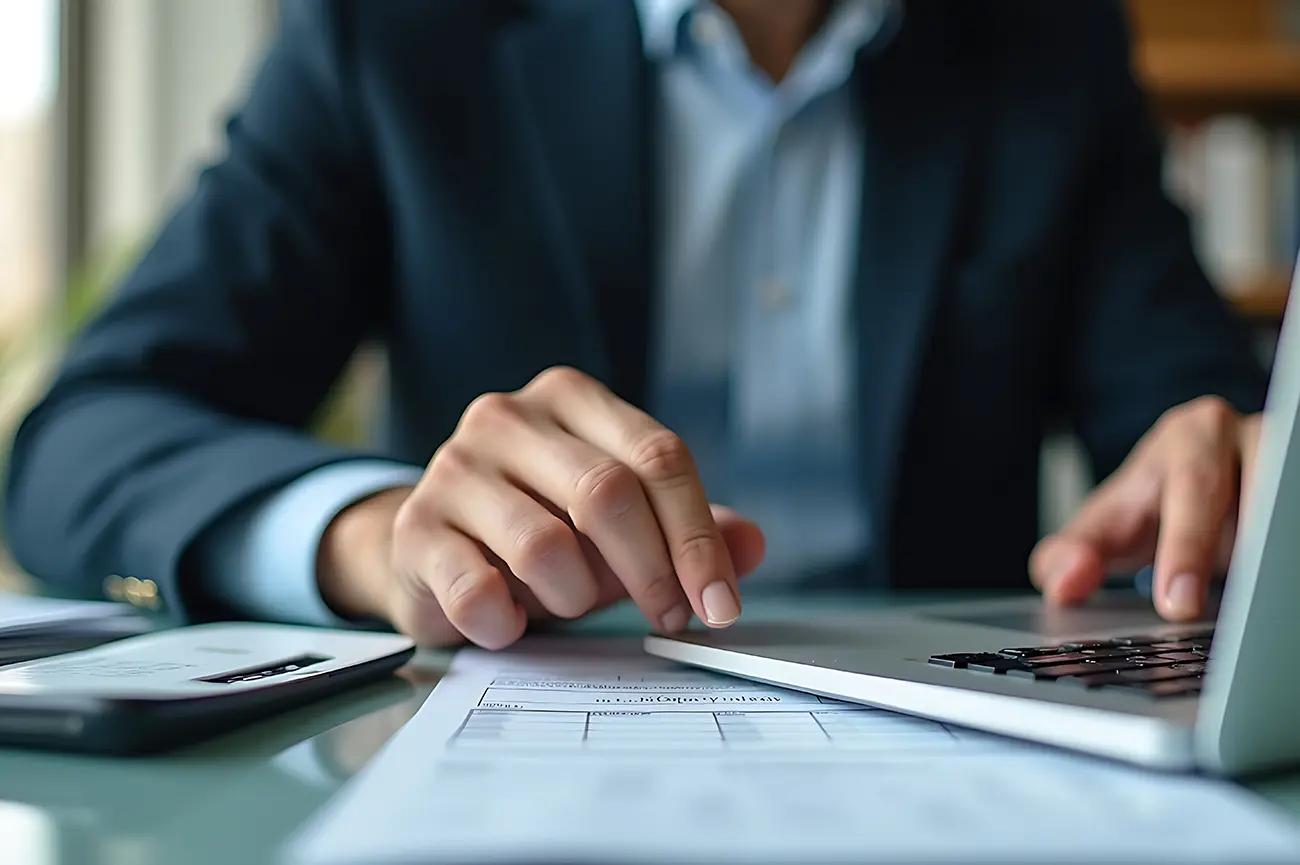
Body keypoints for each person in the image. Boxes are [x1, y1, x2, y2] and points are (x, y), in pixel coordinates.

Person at [2, 0, 1268, 651]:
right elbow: (84, 439)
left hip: (965, 744)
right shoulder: (393, 29)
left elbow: (1192, 420)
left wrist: (1234, 462)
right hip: (522, 721)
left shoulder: (1044, 39)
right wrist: (379, 536)